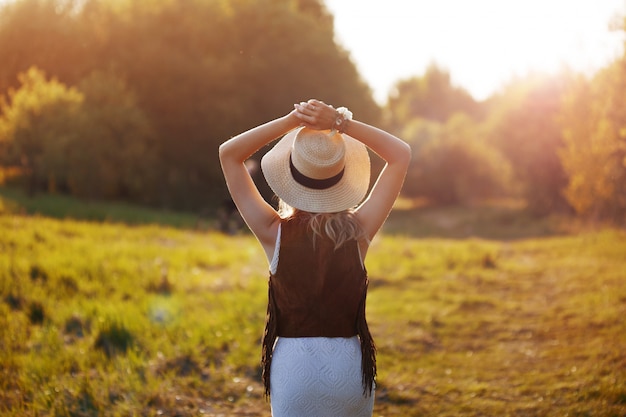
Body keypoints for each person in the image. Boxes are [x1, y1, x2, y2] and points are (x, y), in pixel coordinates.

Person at [218, 99, 411, 416]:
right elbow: (400, 155)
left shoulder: (273, 231)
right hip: (350, 367)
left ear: (290, 177)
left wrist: (294, 120)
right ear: (343, 176)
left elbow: (229, 154)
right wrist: (340, 123)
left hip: (295, 369)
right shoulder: (359, 232)